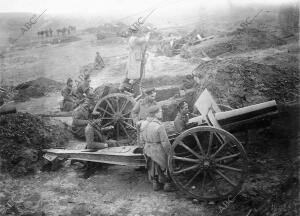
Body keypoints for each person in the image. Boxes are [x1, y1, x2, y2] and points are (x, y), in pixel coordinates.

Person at [139, 105, 175, 192]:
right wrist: (171, 153)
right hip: (158, 149)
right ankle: (167, 184)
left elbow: (141, 139)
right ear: (155, 114)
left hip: (147, 148)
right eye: (160, 111)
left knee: (152, 165)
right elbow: (165, 142)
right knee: (165, 164)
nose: (161, 113)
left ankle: (155, 183)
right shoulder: (159, 126)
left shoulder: (143, 124)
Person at [121, 26, 151, 97]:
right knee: (136, 76)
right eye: (137, 32)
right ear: (134, 32)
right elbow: (145, 40)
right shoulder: (134, 39)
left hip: (135, 58)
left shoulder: (133, 38)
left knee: (134, 75)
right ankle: (134, 91)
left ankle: (125, 87)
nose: (138, 33)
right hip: (135, 59)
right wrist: (148, 34)